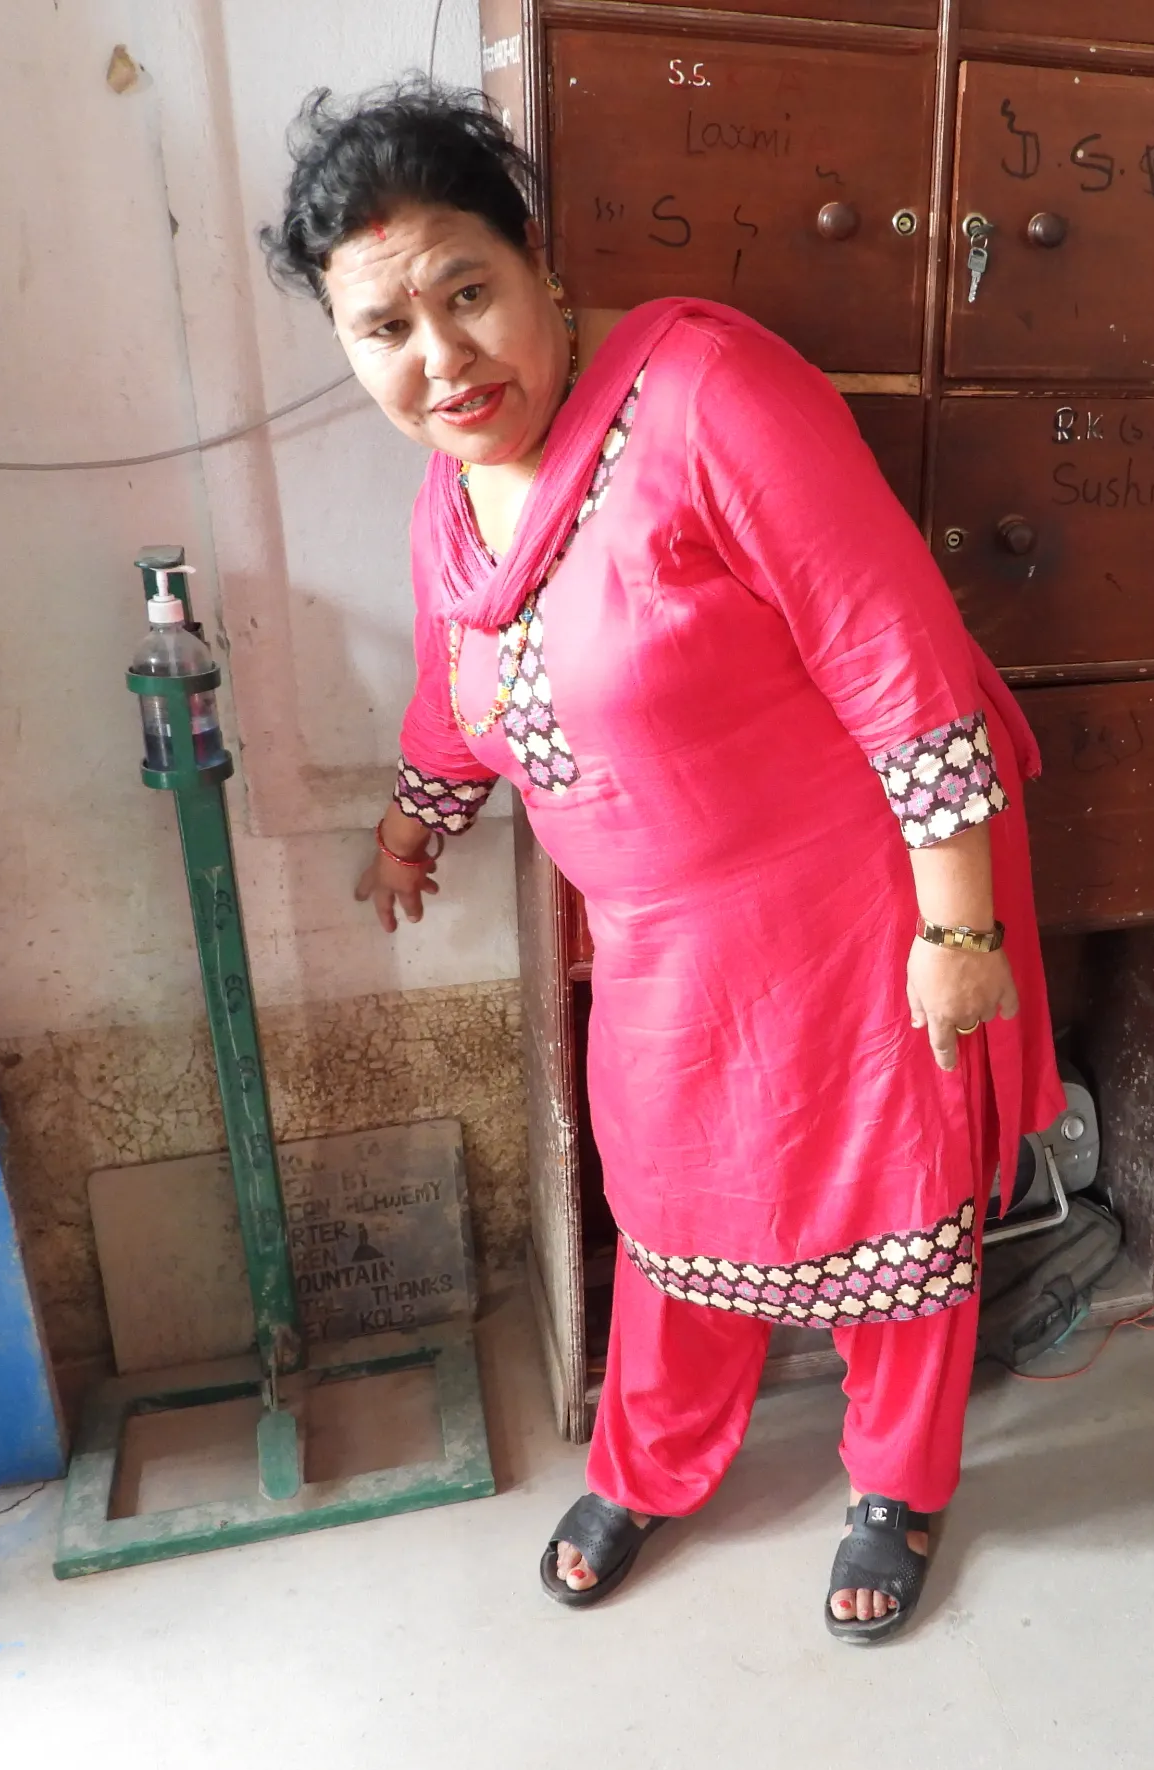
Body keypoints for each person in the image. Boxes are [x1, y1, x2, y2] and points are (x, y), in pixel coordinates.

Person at [262, 82, 1063, 1643]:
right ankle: (657, 1464)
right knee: (679, 1204)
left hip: (864, 898)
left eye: (467, 293)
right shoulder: (453, 481)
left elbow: (899, 659)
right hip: (662, 935)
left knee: (893, 1203)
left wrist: (956, 929)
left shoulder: (707, 393)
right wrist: (417, 819)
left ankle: (899, 1479)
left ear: (537, 259)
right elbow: (459, 670)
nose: (442, 361)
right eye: (385, 331)